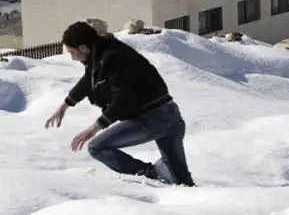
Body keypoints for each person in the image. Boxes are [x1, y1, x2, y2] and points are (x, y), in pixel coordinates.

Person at [44, 21, 195, 186]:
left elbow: (123, 100)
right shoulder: (100, 54)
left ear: (83, 48)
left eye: (72, 52)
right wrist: (65, 105)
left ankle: (151, 174)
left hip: (153, 119)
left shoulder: (113, 58)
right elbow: (89, 81)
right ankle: (165, 173)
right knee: (182, 184)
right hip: (170, 116)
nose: (72, 57)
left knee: (97, 147)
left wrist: (94, 128)